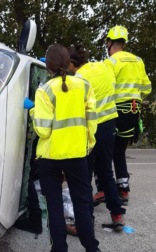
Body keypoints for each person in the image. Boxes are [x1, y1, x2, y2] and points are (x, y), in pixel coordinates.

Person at [24, 44, 100, 251]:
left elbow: (43, 131)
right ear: (68, 63)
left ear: (48, 66)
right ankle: (92, 247)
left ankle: (59, 248)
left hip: (50, 157)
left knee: (54, 206)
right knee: (83, 204)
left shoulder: (44, 90)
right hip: (77, 154)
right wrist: (88, 145)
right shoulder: (84, 85)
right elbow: (92, 120)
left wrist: (32, 111)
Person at [68, 45, 126, 232]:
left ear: (71, 63)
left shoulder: (78, 79)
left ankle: (84, 224)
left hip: (91, 130)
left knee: (85, 176)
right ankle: (117, 215)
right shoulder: (103, 67)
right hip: (109, 127)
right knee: (106, 172)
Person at [103, 25, 152, 206]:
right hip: (133, 111)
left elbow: (106, 88)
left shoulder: (112, 62)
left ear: (110, 43)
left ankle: (103, 190)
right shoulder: (138, 61)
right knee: (119, 151)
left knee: (105, 151)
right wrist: (134, 96)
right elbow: (147, 88)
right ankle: (123, 190)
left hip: (116, 112)